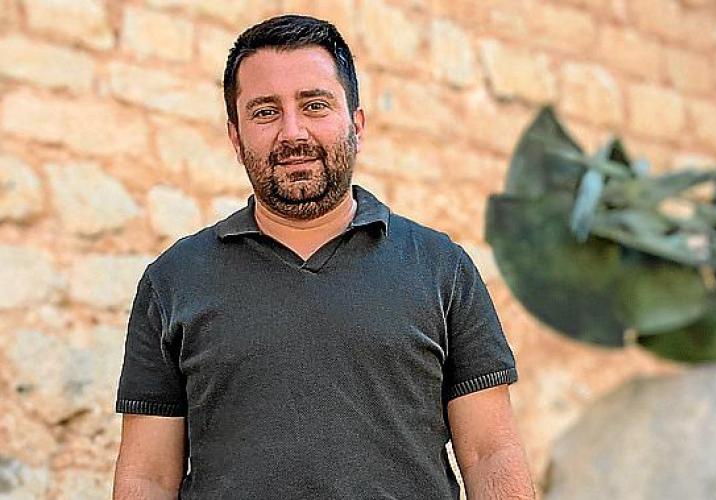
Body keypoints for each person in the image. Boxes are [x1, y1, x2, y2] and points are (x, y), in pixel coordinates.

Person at [113, 14, 534, 500]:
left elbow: (490, 454)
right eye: (265, 112)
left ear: (356, 124)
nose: (292, 133)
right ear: (236, 137)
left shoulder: (442, 269)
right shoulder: (173, 280)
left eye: (315, 105)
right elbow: (148, 476)